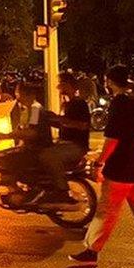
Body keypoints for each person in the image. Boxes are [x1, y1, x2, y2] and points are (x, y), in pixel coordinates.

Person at [70, 65, 134, 268]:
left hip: (119, 168)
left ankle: (91, 251)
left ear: (110, 82)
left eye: (107, 81)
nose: (106, 84)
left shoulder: (118, 104)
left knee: (106, 211)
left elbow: (113, 138)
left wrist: (99, 162)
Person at [0, 83, 64, 205]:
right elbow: (20, 130)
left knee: (6, 161)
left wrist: (9, 136)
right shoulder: (26, 110)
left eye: (20, 95)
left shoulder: (35, 109)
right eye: (16, 95)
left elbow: (31, 133)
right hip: (28, 148)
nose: (17, 98)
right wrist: (1, 136)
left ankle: (19, 194)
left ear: (30, 95)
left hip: (37, 150)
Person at [42, 73, 91, 206]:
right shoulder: (66, 104)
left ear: (69, 85)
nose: (58, 87)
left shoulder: (80, 104)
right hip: (63, 144)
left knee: (49, 156)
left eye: (61, 84)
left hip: (76, 146)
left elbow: (82, 125)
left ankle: (62, 191)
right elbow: (63, 124)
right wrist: (49, 119)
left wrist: (60, 119)